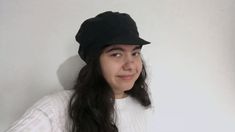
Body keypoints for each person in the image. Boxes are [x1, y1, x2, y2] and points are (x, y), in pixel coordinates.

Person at [6, 11, 153, 132]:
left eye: (135, 53)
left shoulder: (139, 105)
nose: (130, 65)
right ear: (95, 61)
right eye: (116, 54)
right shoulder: (57, 108)